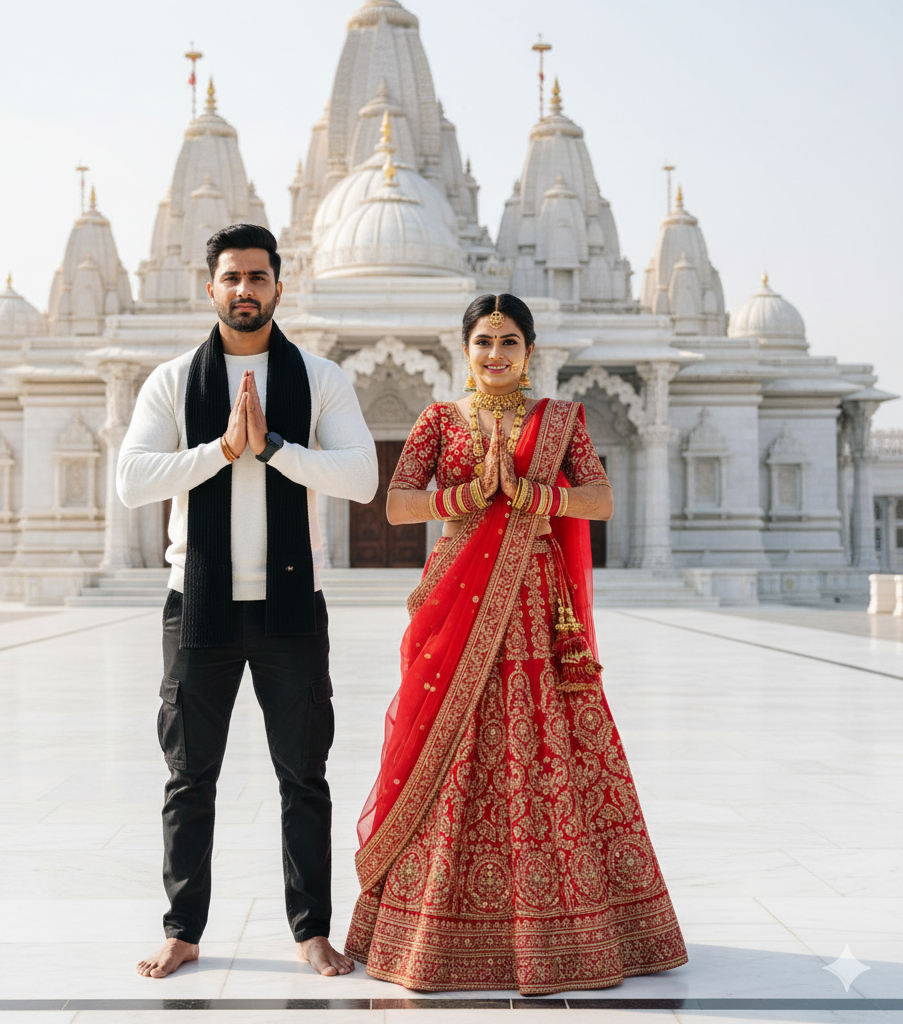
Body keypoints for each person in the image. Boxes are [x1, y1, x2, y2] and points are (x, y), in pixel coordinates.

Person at [345, 293, 688, 995]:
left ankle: (569, 924)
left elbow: (599, 499)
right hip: (456, 599)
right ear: (464, 350)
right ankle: (430, 927)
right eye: (483, 341)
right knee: (448, 740)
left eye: (508, 342)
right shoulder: (439, 420)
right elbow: (399, 504)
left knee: (546, 743)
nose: (495, 354)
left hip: (534, 601)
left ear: (529, 351)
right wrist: (465, 497)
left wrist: (536, 498)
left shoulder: (560, 422)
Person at [117, 223, 377, 979]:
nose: (244, 290)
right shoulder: (173, 380)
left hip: (290, 607)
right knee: (188, 775)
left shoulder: (319, 378)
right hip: (198, 605)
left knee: (304, 776)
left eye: (257, 277)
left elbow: (362, 478)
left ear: (278, 288)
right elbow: (132, 480)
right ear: (211, 288)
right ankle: (182, 930)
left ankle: (311, 930)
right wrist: (223, 451)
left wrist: (275, 450)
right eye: (231, 277)